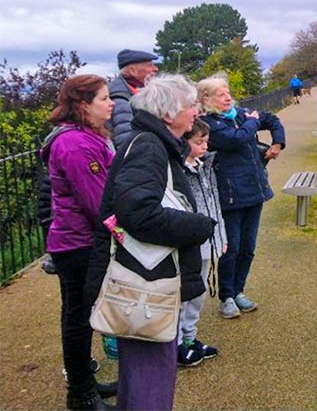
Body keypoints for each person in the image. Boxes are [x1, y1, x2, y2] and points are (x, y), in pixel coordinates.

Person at [85, 74, 214, 410]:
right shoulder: (149, 146)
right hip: (147, 283)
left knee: (141, 370)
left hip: (145, 279)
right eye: (189, 105)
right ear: (168, 114)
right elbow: (138, 213)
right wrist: (198, 226)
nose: (194, 111)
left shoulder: (148, 141)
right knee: (152, 373)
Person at [41, 75, 117, 410]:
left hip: (82, 240)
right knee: (77, 317)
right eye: (104, 98)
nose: (111, 103)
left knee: (81, 316)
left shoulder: (87, 137)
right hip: (78, 244)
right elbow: (97, 202)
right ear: (83, 105)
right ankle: (81, 395)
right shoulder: (74, 144)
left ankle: (86, 383)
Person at [196, 76, 286, 319]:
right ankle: (226, 296)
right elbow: (235, 140)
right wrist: (252, 123)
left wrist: (277, 143)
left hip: (254, 190)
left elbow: (272, 119)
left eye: (228, 92)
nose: (228, 97)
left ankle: (238, 291)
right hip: (230, 195)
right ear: (206, 99)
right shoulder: (207, 124)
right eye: (220, 94)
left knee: (248, 247)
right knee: (231, 248)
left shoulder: (241, 114)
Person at [177, 119, 227, 367]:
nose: (205, 146)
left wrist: (221, 237)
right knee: (184, 294)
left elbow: (214, 203)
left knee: (198, 293)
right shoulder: (177, 171)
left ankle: (190, 337)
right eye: (198, 142)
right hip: (190, 244)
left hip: (209, 240)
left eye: (206, 141)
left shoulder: (205, 165)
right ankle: (176, 343)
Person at [107, 49, 160, 148]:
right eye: (150, 65)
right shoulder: (120, 98)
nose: (156, 69)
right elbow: (126, 141)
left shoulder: (132, 91)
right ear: (132, 71)